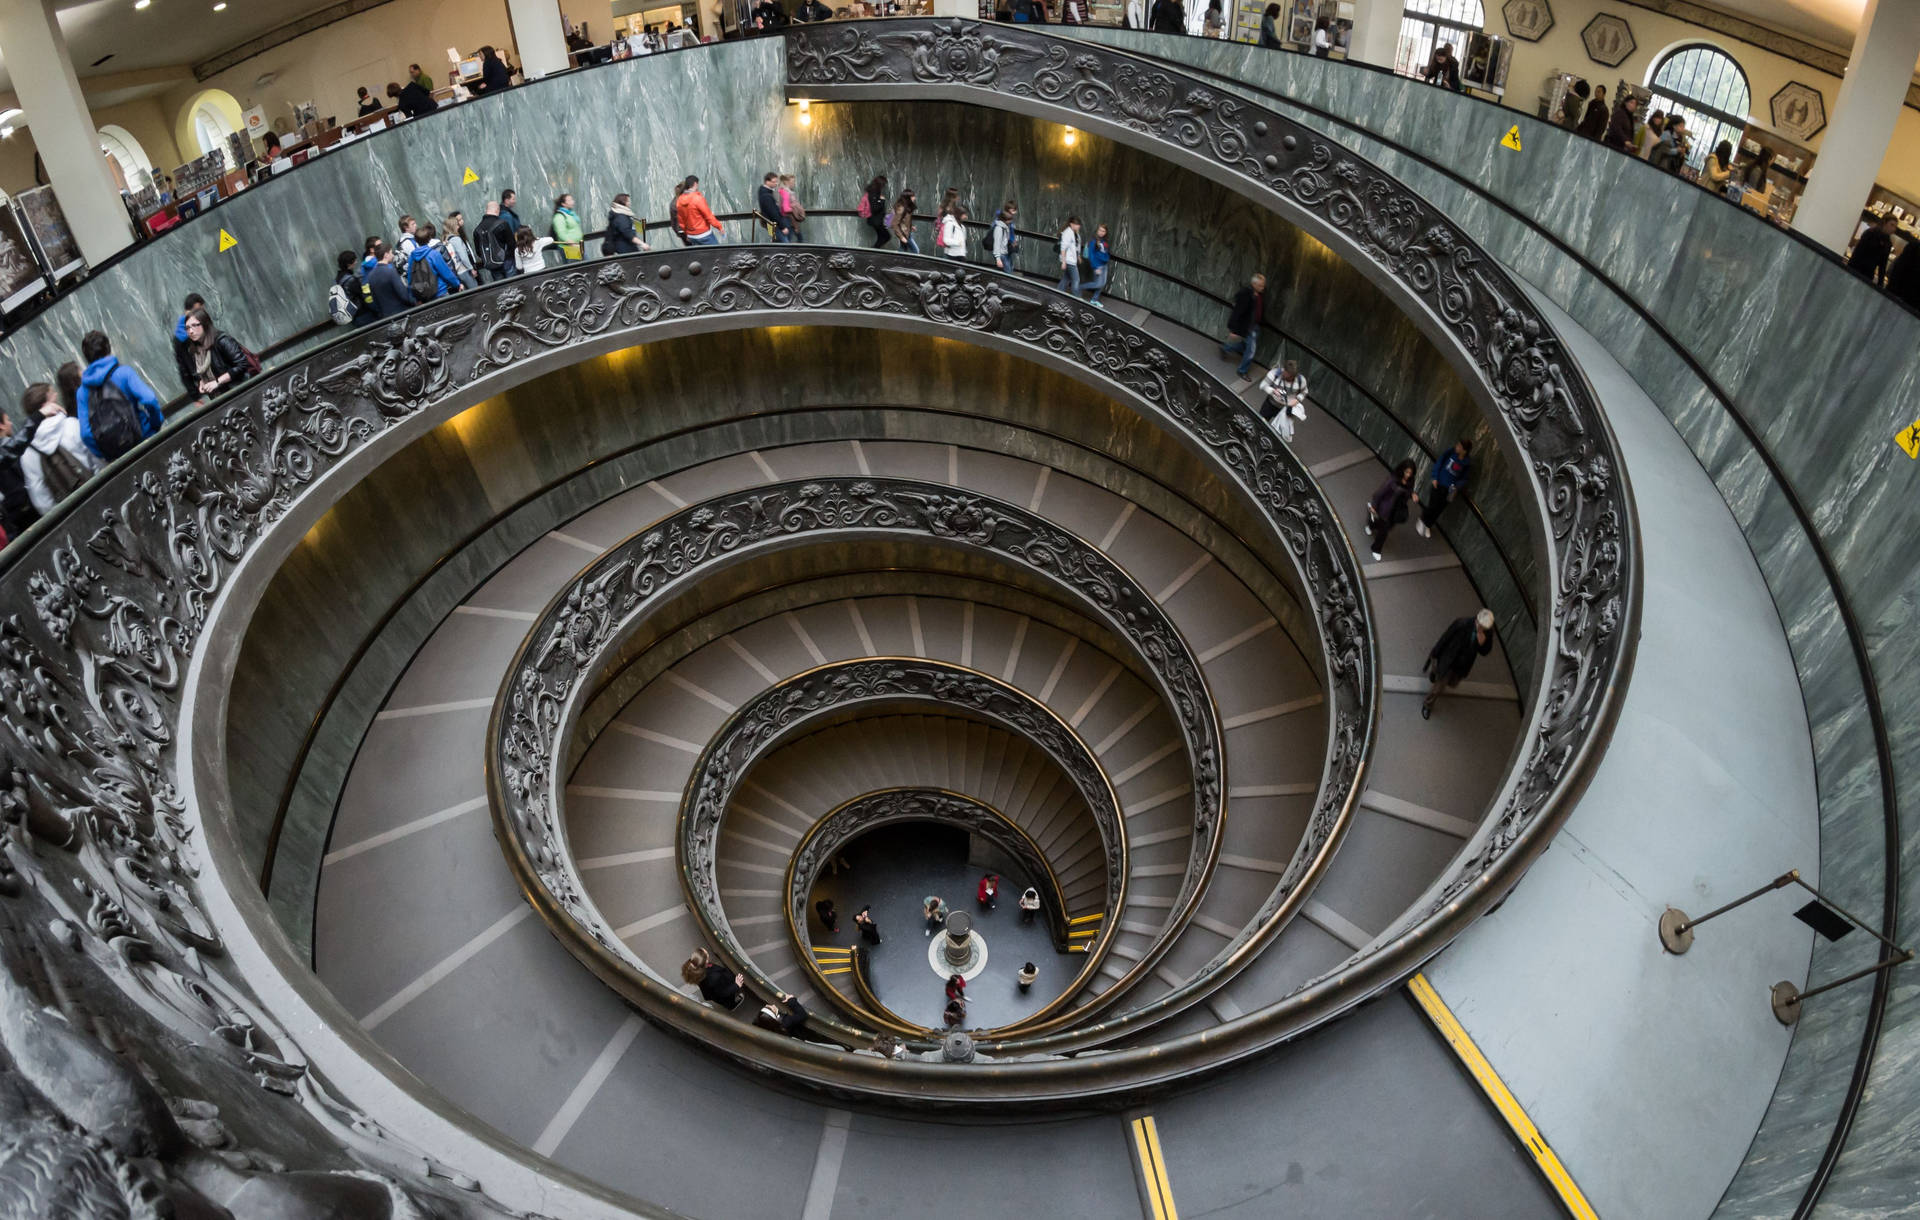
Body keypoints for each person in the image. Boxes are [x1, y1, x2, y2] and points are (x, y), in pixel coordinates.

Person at [76, 332, 164, 462]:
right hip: (145, 440)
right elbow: (150, 400)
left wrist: (105, 453)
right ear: (108, 348)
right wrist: (154, 426)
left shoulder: (82, 392)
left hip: (119, 460)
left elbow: (86, 433)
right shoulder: (123, 373)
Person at [16, 383, 95, 515]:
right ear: (45, 406)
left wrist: (60, 516)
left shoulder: (27, 451)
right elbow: (94, 458)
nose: (57, 395)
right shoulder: (70, 425)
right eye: (53, 395)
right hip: (97, 489)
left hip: (71, 512)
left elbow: (39, 495)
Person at [1423, 609, 1495, 719]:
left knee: (1452, 684)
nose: (1482, 629)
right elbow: (1445, 637)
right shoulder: (1462, 624)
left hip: (1463, 665)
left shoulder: (1487, 633)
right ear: (1477, 620)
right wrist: (1435, 653)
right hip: (1450, 659)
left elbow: (1485, 651)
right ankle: (1428, 705)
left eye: (1485, 628)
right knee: (1439, 687)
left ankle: (1435, 673)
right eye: (1481, 626)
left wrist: (1482, 644)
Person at [183, 307, 254, 399]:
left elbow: (242, 364)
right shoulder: (194, 351)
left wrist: (218, 382)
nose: (191, 331)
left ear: (205, 324)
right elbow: (201, 373)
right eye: (187, 328)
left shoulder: (222, 341)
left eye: (195, 325)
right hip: (219, 397)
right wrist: (202, 382)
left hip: (239, 392)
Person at [1417, 438, 1472, 538]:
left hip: (1449, 489)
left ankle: (1428, 525)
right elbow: (1439, 462)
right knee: (1432, 505)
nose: (1457, 447)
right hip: (1439, 483)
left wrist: (1456, 486)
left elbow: (1464, 478)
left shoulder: (1466, 463)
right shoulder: (1450, 452)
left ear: (1464, 450)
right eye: (1457, 444)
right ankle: (1422, 520)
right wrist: (1435, 476)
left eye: (1459, 446)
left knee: (1439, 509)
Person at [1366, 459, 1418, 561]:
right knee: (1384, 531)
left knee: (1385, 526)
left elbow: (1408, 491)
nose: (1408, 475)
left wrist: (1412, 495)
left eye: (1410, 473)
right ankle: (1376, 549)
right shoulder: (1393, 480)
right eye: (1406, 472)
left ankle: (1371, 525)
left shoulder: (1410, 482)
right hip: (1386, 508)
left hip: (1397, 509)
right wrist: (1374, 505)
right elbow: (1381, 492)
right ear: (1402, 470)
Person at [1220, 273, 1266, 378]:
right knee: (1251, 350)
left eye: (1263, 285)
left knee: (1245, 346)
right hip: (1248, 327)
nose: (1263, 288)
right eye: (1260, 285)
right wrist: (1233, 329)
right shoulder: (1245, 294)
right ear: (1254, 284)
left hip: (1254, 326)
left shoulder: (1259, 295)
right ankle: (1242, 370)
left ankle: (1226, 348)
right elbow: (1237, 312)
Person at [406, 223, 462, 299]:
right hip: (440, 292)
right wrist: (457, 284)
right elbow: (446, 273)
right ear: (429, 239)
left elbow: (410, 277)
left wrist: (415, 296)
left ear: (415, 240)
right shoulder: (433, 254)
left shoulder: (411, 257)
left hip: (424, 296)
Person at [1258, 358, 1307, 441]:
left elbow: (1304, 391)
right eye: (1286, 376)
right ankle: (1257, 437)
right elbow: (1262, 385)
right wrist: (1273, 390)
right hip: (1270, 404)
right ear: (1283, 370)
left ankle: (1271, 443)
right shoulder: (1274, 373)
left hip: (1285, 409)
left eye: (1290, 378)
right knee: (1260, 422)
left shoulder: (1301, 380)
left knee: (1280, 429)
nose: (1288, 379)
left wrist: (1297, 400)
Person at [170, 292, 208, 398]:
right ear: (189, 311)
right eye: (199, 310)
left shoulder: (180, 335)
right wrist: (195, 396)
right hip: (206, 381)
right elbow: (184, 369)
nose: (202, 313)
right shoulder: (182, 336)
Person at [364, 241, 415, 316]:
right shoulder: (390, 271)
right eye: (391, 253)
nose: (393, 255)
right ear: (386, 255)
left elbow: (374, 299)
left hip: (386, 316)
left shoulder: (370, 275)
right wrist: (414, 301)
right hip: (401, 312)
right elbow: (403, 295)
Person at [683, 952, 747, 1009]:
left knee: (721, 999)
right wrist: (736, 985)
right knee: (728, 1000)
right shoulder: (714, 978)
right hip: (724, 987)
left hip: (713, 991)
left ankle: (729, 1004)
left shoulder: (698, 975)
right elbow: (723, 992)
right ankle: (732, 1006)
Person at [1848, 216, 1895, 287]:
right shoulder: (1870, 233)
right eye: (1892, 225)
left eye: (1895, 227)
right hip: (1856, 269)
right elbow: (1858, 252)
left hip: (1868, 275)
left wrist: (1880, 283)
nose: (1893, 229)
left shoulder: (1888, 243)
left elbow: (1883, 264)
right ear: (1884, 223)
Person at [675, 175, 722, 245]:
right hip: (704, 234)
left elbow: (681, 221)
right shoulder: (697, 198)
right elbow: (708, 216)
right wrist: (719, 227)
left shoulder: (679, 200)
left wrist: (686, 233)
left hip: (691, 236)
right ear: (695, 184)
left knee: (700, 255)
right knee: (717, 253)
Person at [473, 201, 514, 280]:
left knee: (501, 289)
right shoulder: (502, 224)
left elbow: (478, 251)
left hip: (492, 265)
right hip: (507, 262)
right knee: (513, 286)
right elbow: (512, 244)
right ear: (497, 210)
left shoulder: (477, 230)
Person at [331, 250, 374, 326]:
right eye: (354, 260)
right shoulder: (351, 280)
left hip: (352, 316)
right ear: (349, 264)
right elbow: (363, 296)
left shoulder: (337, 280)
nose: (356, 262)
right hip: (363, 314)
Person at [442, 212, 480, 288]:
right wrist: (471, 269)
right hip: (464, 270)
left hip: (456, 272)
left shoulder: (445, 239)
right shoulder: (456, 239)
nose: (458, 227)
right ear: (453, 227)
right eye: (456, 225)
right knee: (475, 290)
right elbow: (463, 257)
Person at [1081, 223, 1111, 306]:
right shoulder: (1093, 240)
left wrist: (1106, 258)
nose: (1101, 232)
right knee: (1098, 283)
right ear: (1097, 230)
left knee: (1102, 284)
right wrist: (1095, 267)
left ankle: (1094, 299)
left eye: (1103, 231)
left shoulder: (1104, 241)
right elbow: (1091, 255)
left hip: (1104, 264)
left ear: (1105, 232)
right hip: (1098, 266)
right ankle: (1078, 287)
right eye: (1100, 230)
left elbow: (1106, 252)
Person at [1887, 235, 1920, 310]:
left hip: (1910, 304)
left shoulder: (1914, 246)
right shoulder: (1914, 247)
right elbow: (1898, 269)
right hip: (1899, 298)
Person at [550, 195, 584, 260]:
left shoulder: (570, 214)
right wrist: (570, 242)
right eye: (569, 200)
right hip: (570, 247)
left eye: (572, 199)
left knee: (583, 266)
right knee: (577, 267)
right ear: (563, 204)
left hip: (577, 245)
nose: (572, 202)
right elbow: (561, 233)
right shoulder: (559, 216)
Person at [861, 175, 892, 248]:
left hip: (877, 220)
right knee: (887, 236)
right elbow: (874, 208)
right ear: (880, 184)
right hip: (876, 221)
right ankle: (873, 250)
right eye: (883, 184)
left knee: (881, 237)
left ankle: (874, 250)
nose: (884, 186)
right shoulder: (873, 193)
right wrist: (882, 200)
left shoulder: (873, 192)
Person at [990, 200, 1019, 270]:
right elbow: (998, 241)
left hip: (1006, 247)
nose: (1015, 212)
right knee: (1007, 269)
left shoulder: (1006, 222)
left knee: (1008, 267)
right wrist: (998, 258)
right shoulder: (1000, 226)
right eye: (1013, 210)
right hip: (1003, 250)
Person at [1056, 215, 1081, 293]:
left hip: (1070, 260)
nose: (1078, 226)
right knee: (1076, 280)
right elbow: (1063, 248)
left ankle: (1058, 294)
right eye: (1077, 224)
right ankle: (1077, 298)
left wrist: (1078, 256)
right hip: (1069, 261)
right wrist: (1063, 262)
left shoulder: (1073, 233)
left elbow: (1075, 247)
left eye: (1079, 224)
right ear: (1071, 224)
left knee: (1066, 278)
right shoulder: (1068, 232)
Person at [890, 189, 920, 254]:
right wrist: (901, 237)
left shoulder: (907, 206)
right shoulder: (901, 208)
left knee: (903, 250)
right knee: (916, 251)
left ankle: (897, 262)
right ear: (908, 198)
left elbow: (904, 220)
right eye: (913, 196)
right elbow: (894, 224)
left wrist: (911, 226)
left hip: (906, 232)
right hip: (904, 233)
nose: (914, 198)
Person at [779, 173, 804, 242]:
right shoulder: (786, 193)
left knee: (793, 238)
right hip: (788, 220)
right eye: (792, 182)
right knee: (794, 239)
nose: (794, 184)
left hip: (788, 219)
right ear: (787, 182)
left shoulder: (781, 191)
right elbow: (785, 208)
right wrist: (796, 208)